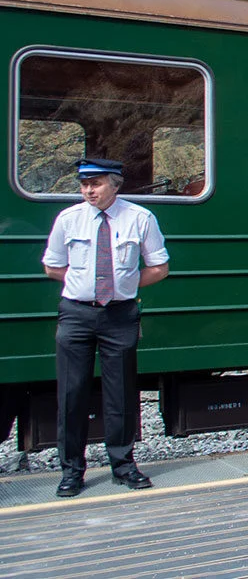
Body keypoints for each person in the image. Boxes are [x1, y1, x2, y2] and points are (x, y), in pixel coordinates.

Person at [42, 158, 169, 498]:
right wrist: (87, 285)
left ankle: (123, 465)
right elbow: (52, 266)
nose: (88, 190)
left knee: (122, 393)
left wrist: (121, 287)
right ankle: (71, 472)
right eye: (84, 184)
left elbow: (159, 268)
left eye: (95, 184)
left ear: (115, 185)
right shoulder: (68, 219)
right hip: (76, 315)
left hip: (119, 316)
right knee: (71, 393)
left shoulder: (140, 219)